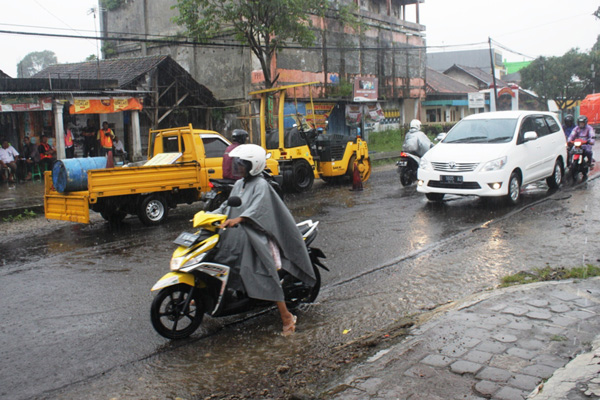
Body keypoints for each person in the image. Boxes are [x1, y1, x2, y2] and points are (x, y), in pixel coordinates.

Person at [212, 144, 316, 336]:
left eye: (243, 164)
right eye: (238, 163)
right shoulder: (238, 184)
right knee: (221, 256)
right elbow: (228, 204)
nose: (239, 167)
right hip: (240, 233)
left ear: (254, 165)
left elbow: (258, 208)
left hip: (260, 235)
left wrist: (240, 218)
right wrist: (210, 214)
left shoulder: (261, 185)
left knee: (264, 272)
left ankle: (286, 317)